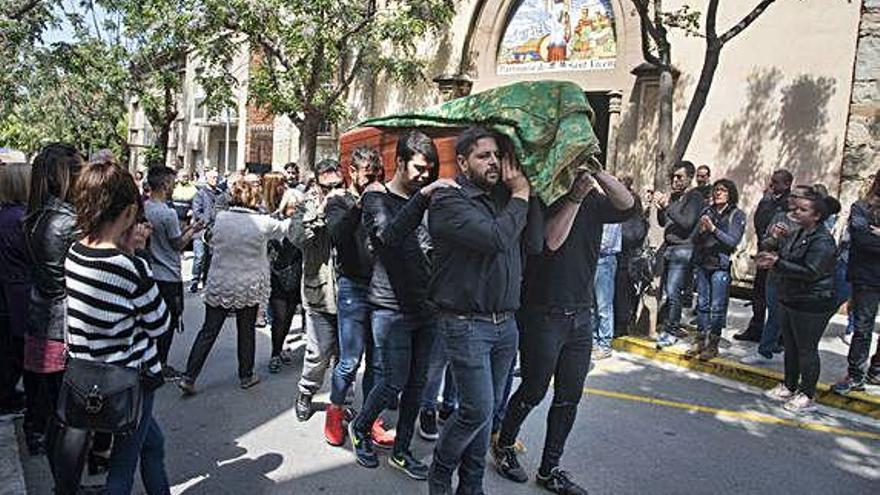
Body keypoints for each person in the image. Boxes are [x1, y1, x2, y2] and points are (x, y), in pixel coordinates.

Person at [493, 166, 633, 494]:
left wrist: (599, 172)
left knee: (570, 396)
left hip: (581, 313)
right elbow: (551, 242)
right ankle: (504, 445)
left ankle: (549, 468)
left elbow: (628, 206)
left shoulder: (596, 201)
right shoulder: (542, 196)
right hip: (542, 312)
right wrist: (574, 197)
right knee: (533, 390)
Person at [427, 127, 543, 495]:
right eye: (483, 156)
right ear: (463, 162)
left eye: (497, 155)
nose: (493, 162)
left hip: (505, 326)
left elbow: (536, 242)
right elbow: (495, 239)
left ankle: (471, 487)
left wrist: (529, 192)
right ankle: (441, 473)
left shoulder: (505, 200)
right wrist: (521, 196)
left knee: (486, 415)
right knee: (476, 411)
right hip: (466, 325)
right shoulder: (450, 200)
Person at [349, 132, 457, 479]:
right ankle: (361, 427)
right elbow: (388, 237)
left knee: (418, 384)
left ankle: (402, 451)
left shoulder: (425, 201)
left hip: (427, 308)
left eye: (431, 170)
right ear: (399, 163)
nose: (426, 176)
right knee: (392, 382)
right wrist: (424, 198)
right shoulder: (376, 197)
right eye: (420, 168)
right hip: (390, 308)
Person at [65, 160, 171, 495]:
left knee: (153, 444)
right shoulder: (131, 268)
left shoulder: (75, 253)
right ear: (127, 212)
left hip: (91, 376)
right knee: (122, 471)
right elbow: (160, 324)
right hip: (130, 382)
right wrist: (138, 258)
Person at [178, 176, 294, 394]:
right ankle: (246, 375)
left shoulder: (221, 218)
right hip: (247, 285)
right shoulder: (262, 222)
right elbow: (285, 228)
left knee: (208, 331)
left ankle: (189, 376)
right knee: (246, 330)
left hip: (220, 282)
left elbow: (209, 239)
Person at [23, 144, 86, 475]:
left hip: (42, 315)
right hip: (64, 324)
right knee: (66, 416)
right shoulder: (67, 222)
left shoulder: (36, 216)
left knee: (52, 408)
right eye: (79, 172)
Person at [323, 147, 392, 447]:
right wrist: (362, 203)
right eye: (368, 174)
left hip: (381, 287)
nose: (373, 180)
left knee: (377, 362)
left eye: (377, 175)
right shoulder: (338, 199)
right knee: (350, 359)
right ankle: (335, 411)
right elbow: (337, 234)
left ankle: (370, 418)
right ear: (352, 172)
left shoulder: (385, 198)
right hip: (353, 286)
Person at [758, 187, 840, 413]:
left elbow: (811, 271)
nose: (797, 212)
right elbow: (780, 253)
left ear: (816, 216)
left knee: (806, 348)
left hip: (811, 301)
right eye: (796, 208)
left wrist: (777, 263)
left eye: (803, 210)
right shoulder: (798, 233)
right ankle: (789, 384)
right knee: (791, 347)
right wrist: (774, 241)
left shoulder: (823, 240)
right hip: (791, 297)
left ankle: (807, 393)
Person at [292, 160, 342, 421]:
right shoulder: (305, 206)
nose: (333, 191)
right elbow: (296, 239)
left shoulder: (348, 201)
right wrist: (320, 212)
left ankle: (340, 403)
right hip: (318, 293)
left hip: (347, 293)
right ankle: (306, 392)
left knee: (345, 356)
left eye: (337, 185)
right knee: (318, 353)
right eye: (327, 186)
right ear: (317, 185)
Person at [144, 166, 204, 377]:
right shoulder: (167, 213)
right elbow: (177, 244)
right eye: (172, 182)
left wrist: (189, 229)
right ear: (164, 184)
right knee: (168, 322)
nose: (174, 187)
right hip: (168, 274)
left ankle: (149, 360)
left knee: (151, 319)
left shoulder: (145, 208)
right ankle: (161, 363)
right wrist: (193, 232)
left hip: (151, 272)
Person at [687, 179, 746, 360]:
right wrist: (702, 231)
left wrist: (713, 229)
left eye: (723, 190)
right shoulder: (707, 211)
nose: (718, 193)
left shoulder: (736, 214)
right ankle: (700, 340)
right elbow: (695, 237)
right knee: (703, 305)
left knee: (717, 307)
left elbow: (732, 241)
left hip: (720, 265)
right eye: (716, 190)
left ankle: (713, 344)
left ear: (730, 194)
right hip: (704, 263)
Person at [832, 173, 880, 394]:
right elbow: (862, 240)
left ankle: (876, 370)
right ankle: (855, 375)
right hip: (867, 277)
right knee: (862, 328)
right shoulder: (861, 208)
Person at [735, 169, 793, 342]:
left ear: (787, 184)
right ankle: (756, 328)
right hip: (764, 251)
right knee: (758, 294)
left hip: (780, 257)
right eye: (772, 181)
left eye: (776, 182)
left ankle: (780, 335)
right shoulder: (768, 200)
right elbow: (759, 220)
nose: (771, 185)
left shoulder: (790, 203)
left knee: (778, 298)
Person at [654, 161, 705, 348]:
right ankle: (669, 324)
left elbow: (687, 222)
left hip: (683, 249)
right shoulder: (675, 198)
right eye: (673, 177)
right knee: (669, 290)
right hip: (670, 248)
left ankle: (672, 329)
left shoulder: (695, 197)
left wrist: (668, 206)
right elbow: (663, 223)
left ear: (690, 178)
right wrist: (661, 208)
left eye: (680, 177)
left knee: (674, 291)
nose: (675, 180)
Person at [0, 161, 31, 416]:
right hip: (16, 295)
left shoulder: (8, 216)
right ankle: (6, 395)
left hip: (10, 292)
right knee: (13, 351)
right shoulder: (19, 220)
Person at [266, 189, 304, 374]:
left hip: (296, 275)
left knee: (288, 316)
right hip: (276, 275)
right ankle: (274, 353)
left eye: (297, 207)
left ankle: (279, 349)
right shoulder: (274, 220)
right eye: (292, 207)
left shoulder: (303, 222)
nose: (294, 211)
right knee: (279, 317)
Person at [190, 169, 225, 293]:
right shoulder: (200, 194)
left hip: (215, 231)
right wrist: (205, 222)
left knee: (210, 257)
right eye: (213, 177)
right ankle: (194, 281)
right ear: (207, 178)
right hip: (201, 230)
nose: (216, 180)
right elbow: (197, 211)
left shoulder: (221, 194)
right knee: (199, 256)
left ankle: (206, 282)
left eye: (217, 178)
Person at [592, 220, 622, 360]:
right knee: (591, 305)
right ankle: (593, 341)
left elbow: (605, 243)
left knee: (603, 305)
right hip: (594, 258)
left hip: (604, 259)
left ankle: (604, 344)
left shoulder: (611, 213)